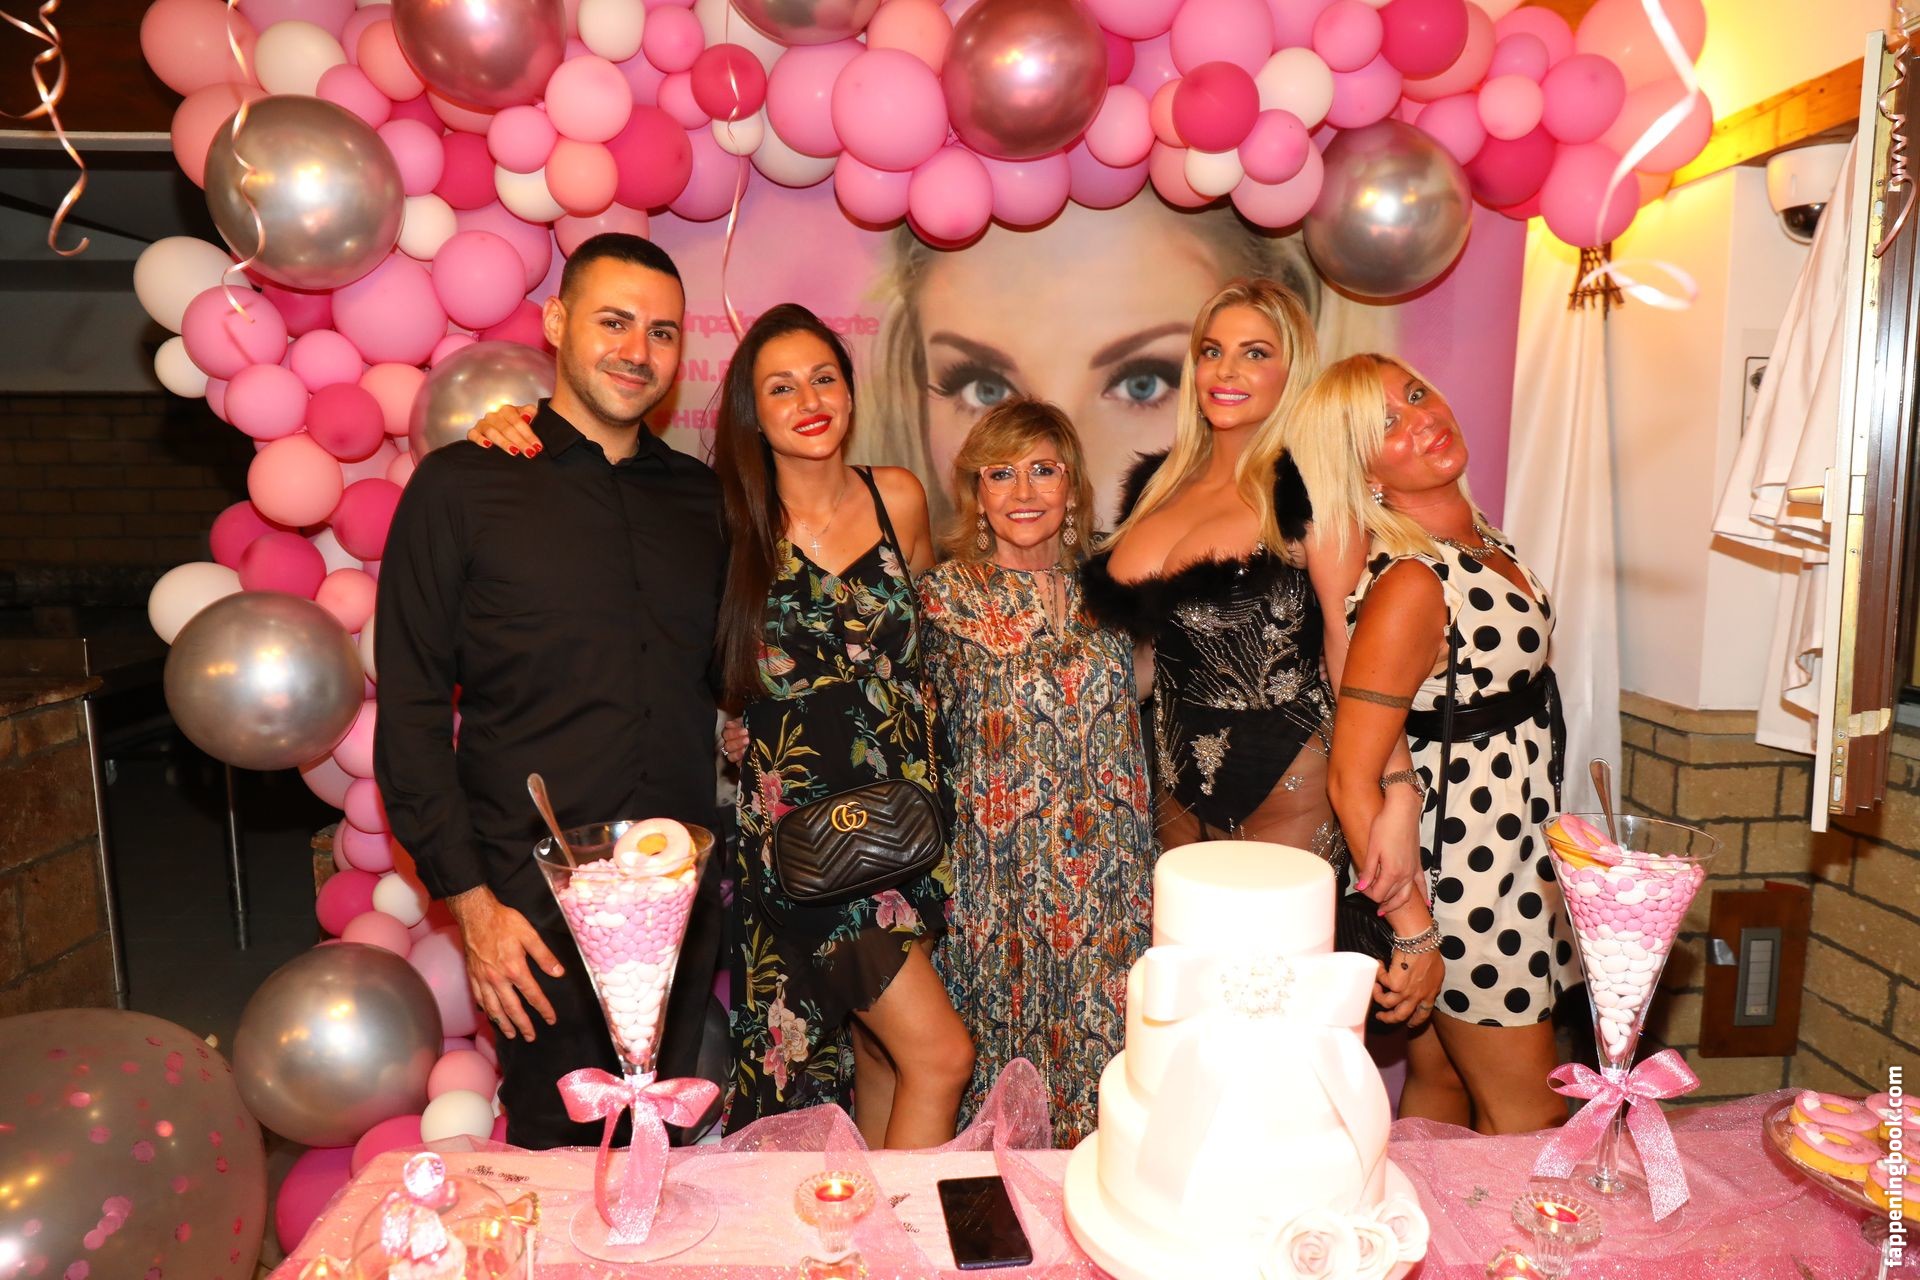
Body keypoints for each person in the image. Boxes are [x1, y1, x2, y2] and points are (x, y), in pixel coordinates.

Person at [373, 234, 728, 1149]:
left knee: (662, 1142)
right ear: (558, 323)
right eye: (614, 322)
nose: (637, 352)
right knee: (559, 1152)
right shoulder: (463, 486)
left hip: (676, 894)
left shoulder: (702, 501)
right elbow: (411, 713)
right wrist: (472, 905)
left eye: (661, 333)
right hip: (533, 907)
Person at [1080, 278, 1440, 1023]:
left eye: (1255, 353)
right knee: (1189, 1026)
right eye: (1212, 351)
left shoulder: (1309, 486)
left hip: (1292, 784)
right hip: (1171, 788)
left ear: (1292, 368)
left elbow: (1352, 655)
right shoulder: (1156, 486)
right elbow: (1142, 663)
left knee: (1280, 1033)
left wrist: (1399, 799)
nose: (1227, 371)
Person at [710, 303, 971, 1148]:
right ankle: (901, 1232)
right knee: (942, 1056)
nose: (809, 400)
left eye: (824, 378)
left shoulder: (898, 497)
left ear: (851, 393)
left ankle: (861, 1216)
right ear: (754, 414)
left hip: (901, 825)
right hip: (807, 849)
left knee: (884, 1057)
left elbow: (927, 647)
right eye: (782, 388)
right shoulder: (729, 523)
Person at [1296, 352, 1575, 1134]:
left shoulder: (1477, 540)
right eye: (1386, 424)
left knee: (1444, 1087)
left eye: (1416, 394)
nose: (1422, 419)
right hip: (1468, 874)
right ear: (1363, 472)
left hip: (1511, 846)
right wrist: (1415, 932)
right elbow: (1351, 775)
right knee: (1530, 1115)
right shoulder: (1413, 582)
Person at [857, 195, 1397, 528]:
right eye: (985, 390)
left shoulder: (1316, 537)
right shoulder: (935, 612)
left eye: (1143, 383)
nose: (1062, 468)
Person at [915, 398, 1155, 1145]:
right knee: (994, 1076)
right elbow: (896, 717)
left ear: (1073, 487)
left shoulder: (1117, 588)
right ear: (976, 492)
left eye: (1043, 471)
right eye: (1000, 473)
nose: (1023, 492)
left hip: (1111, 881)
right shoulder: (943, 597)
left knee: (1111, 1076)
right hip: (999, 884)